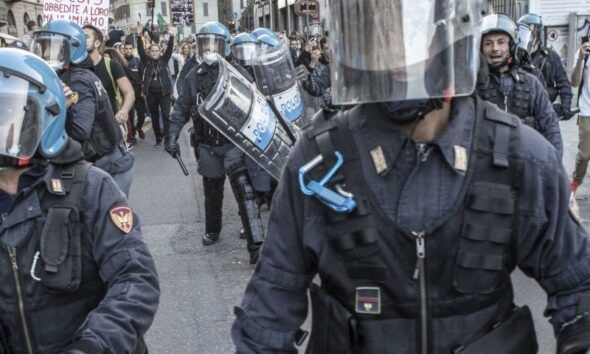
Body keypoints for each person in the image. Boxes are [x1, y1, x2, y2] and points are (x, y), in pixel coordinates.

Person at [232, 1, 590, 352]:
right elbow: (267, 314)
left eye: (413, 28)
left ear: (449, 32)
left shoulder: (519, 157)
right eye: (382, 30)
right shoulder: (318, 163)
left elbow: (580, 288)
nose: (396, 49)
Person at [0, 48, 159, 354]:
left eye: (6, 113)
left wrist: (93, 345)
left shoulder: (91, 187)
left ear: (43, 115)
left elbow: (135, 279)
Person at [165, 21, 264, 264]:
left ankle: (256, 243)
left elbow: (256, 105)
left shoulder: (239, 72)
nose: (209, 49)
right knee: (211, 188)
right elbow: (182, 107)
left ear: (225, 45)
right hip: (207, 142)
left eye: (214, 44)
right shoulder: (193, 75)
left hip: (234, 142)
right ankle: (212, 229)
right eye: (204, 43)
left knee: (243, 189)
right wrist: (172, 134)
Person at [32, 20, 135, 196]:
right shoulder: (70, 76)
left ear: (70, 48)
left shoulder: (77, 80)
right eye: (43, 46)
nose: (46, 52)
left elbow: (80, 131)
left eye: (52, 46)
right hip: (103, 163)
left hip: (109, 167)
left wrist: (66, 108)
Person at [478, 13, 563, 157]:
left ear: (511, 45)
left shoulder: (531, 83)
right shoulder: (474, 87)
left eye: (501, 42)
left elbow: (550, 126)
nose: (495, 48)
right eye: (488, 43)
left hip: (526, 160)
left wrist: (554, 167)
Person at [519, 13, 574, 117]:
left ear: (539, 32)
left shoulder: (551, 56)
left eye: (534, 30)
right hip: (520, 108)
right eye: (526, 31)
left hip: (544, 110)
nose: (531, 34)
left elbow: (563, 83)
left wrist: (565, 107)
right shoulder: (515, 56)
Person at [83, 24, 135, 123]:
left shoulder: (111, 65)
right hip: (86, 127)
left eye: (86, 37)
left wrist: (123, 111)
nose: (81, 40)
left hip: (110, 125)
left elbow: (129, 92)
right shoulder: (75, 67)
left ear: (97, 43)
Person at [137, 25, 175, 147]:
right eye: (152, 51)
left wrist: (172, 35)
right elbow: (140, 50)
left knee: (165, 115)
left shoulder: (164, 60)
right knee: (154, 116)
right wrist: (139, 35)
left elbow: (169, 48)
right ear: (149, 52)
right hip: (151, 94)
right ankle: (158, 138)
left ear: (160, 52)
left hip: (165, 93)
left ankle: (168, 139)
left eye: (156, 50)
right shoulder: (146, 61)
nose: (154, 52)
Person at [570, 38, 590, 194]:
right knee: (584, 155)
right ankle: (575, 183)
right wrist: (581, 59)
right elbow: (575, 82)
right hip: (587, 111)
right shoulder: (584, 52)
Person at [123, 40, 149, 141]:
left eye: (130, 49)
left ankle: (139, 127)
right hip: (127, 93)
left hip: (138, 92)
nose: (128, 50)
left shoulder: (137, 61)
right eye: (126, 49)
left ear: (132, 50)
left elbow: (143, 76)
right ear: (124, 50)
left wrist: (143, 88)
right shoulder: (120, 61)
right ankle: (132, 133)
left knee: (141, 114)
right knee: (130, 114)